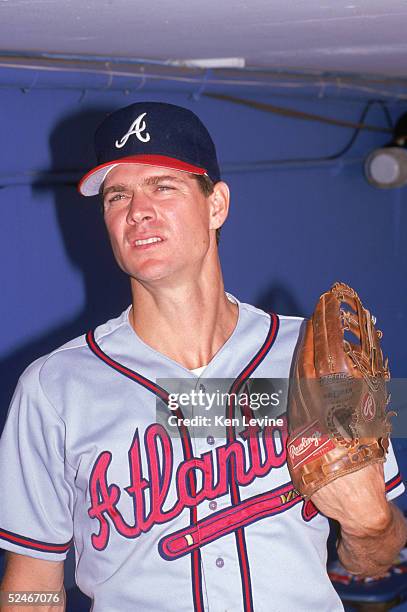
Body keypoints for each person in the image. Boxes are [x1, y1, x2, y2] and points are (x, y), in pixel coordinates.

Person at [0, 101, 405, 612]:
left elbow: (378, 553)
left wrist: (372, 526)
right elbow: (32, 583)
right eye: (116, 196)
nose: (136, 210)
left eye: (162, 186)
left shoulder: (315, 355)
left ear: (217, 205)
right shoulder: (54, 388)